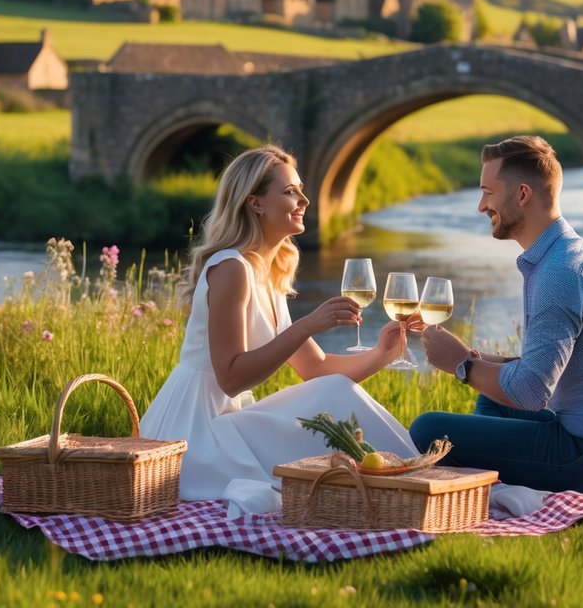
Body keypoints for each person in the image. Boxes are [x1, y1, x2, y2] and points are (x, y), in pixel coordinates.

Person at [141, 144, 421, 515]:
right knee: (317, 423)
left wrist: (384, 352)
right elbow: (230, 378)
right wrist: (308, 324)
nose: (304, 199)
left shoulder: (267, 275)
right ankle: (412, 481)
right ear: (255, 202)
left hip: (228, 419)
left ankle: (408, 478)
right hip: (194, 431)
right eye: (290, 191)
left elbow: (316, 370)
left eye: (301, 189)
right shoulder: (231, 268)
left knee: (334, 389)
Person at [411, 135, 583, 496]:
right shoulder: (574, 253)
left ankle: (488, 481)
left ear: (523, 194)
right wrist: (479, 360)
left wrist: (461, 366)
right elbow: (550, 369)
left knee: (427, 429)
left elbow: (531, 392)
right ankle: (491, 478)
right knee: (492, 397)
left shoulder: (560, 273)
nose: (481, 206)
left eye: (487, 192)